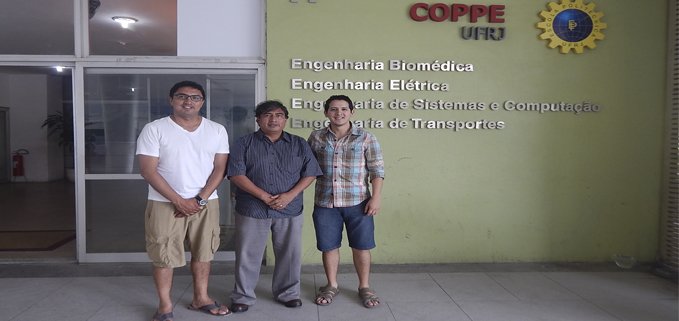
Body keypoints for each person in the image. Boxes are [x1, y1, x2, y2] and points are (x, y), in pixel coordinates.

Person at [136, 81, 231, 321]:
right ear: (171, 100)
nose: (188, 101)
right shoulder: (154, 129)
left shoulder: (217, 129)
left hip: (206, 202)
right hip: (164, 203)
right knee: (164, 253)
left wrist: (198, 200)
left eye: (195, 97)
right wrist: (178, 201)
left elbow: (220, 169)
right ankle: (165, 306)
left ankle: (201, 298)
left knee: (204, 251)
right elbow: (148, 170)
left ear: (202, 102)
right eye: (182, 96)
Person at [226, 100, 322, 313]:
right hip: (252, 208)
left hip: (290, 208)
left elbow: (311, 173)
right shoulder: (244, 143)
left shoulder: (299, 144)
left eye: (279, 115)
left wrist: (289, 195)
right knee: (247, 255)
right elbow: (236, 174)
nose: (273, 119)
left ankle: (288, 293)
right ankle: (243, 296)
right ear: (258, 119)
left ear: (285, 119)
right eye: (268, 115)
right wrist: (264, 196)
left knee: (290, 254)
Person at [307, 94, 385, 308]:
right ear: (326, 113)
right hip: (325, 203)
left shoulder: (366, 137)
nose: (338, 113)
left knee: (362, 246)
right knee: (328, 246)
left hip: (359, 202)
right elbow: (308, 169)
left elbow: (377, 170)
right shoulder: (316, 137)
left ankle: (364, 286)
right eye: (333, 109)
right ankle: (331, 285)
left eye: (343, 109)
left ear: (352, 112)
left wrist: (376, 198)